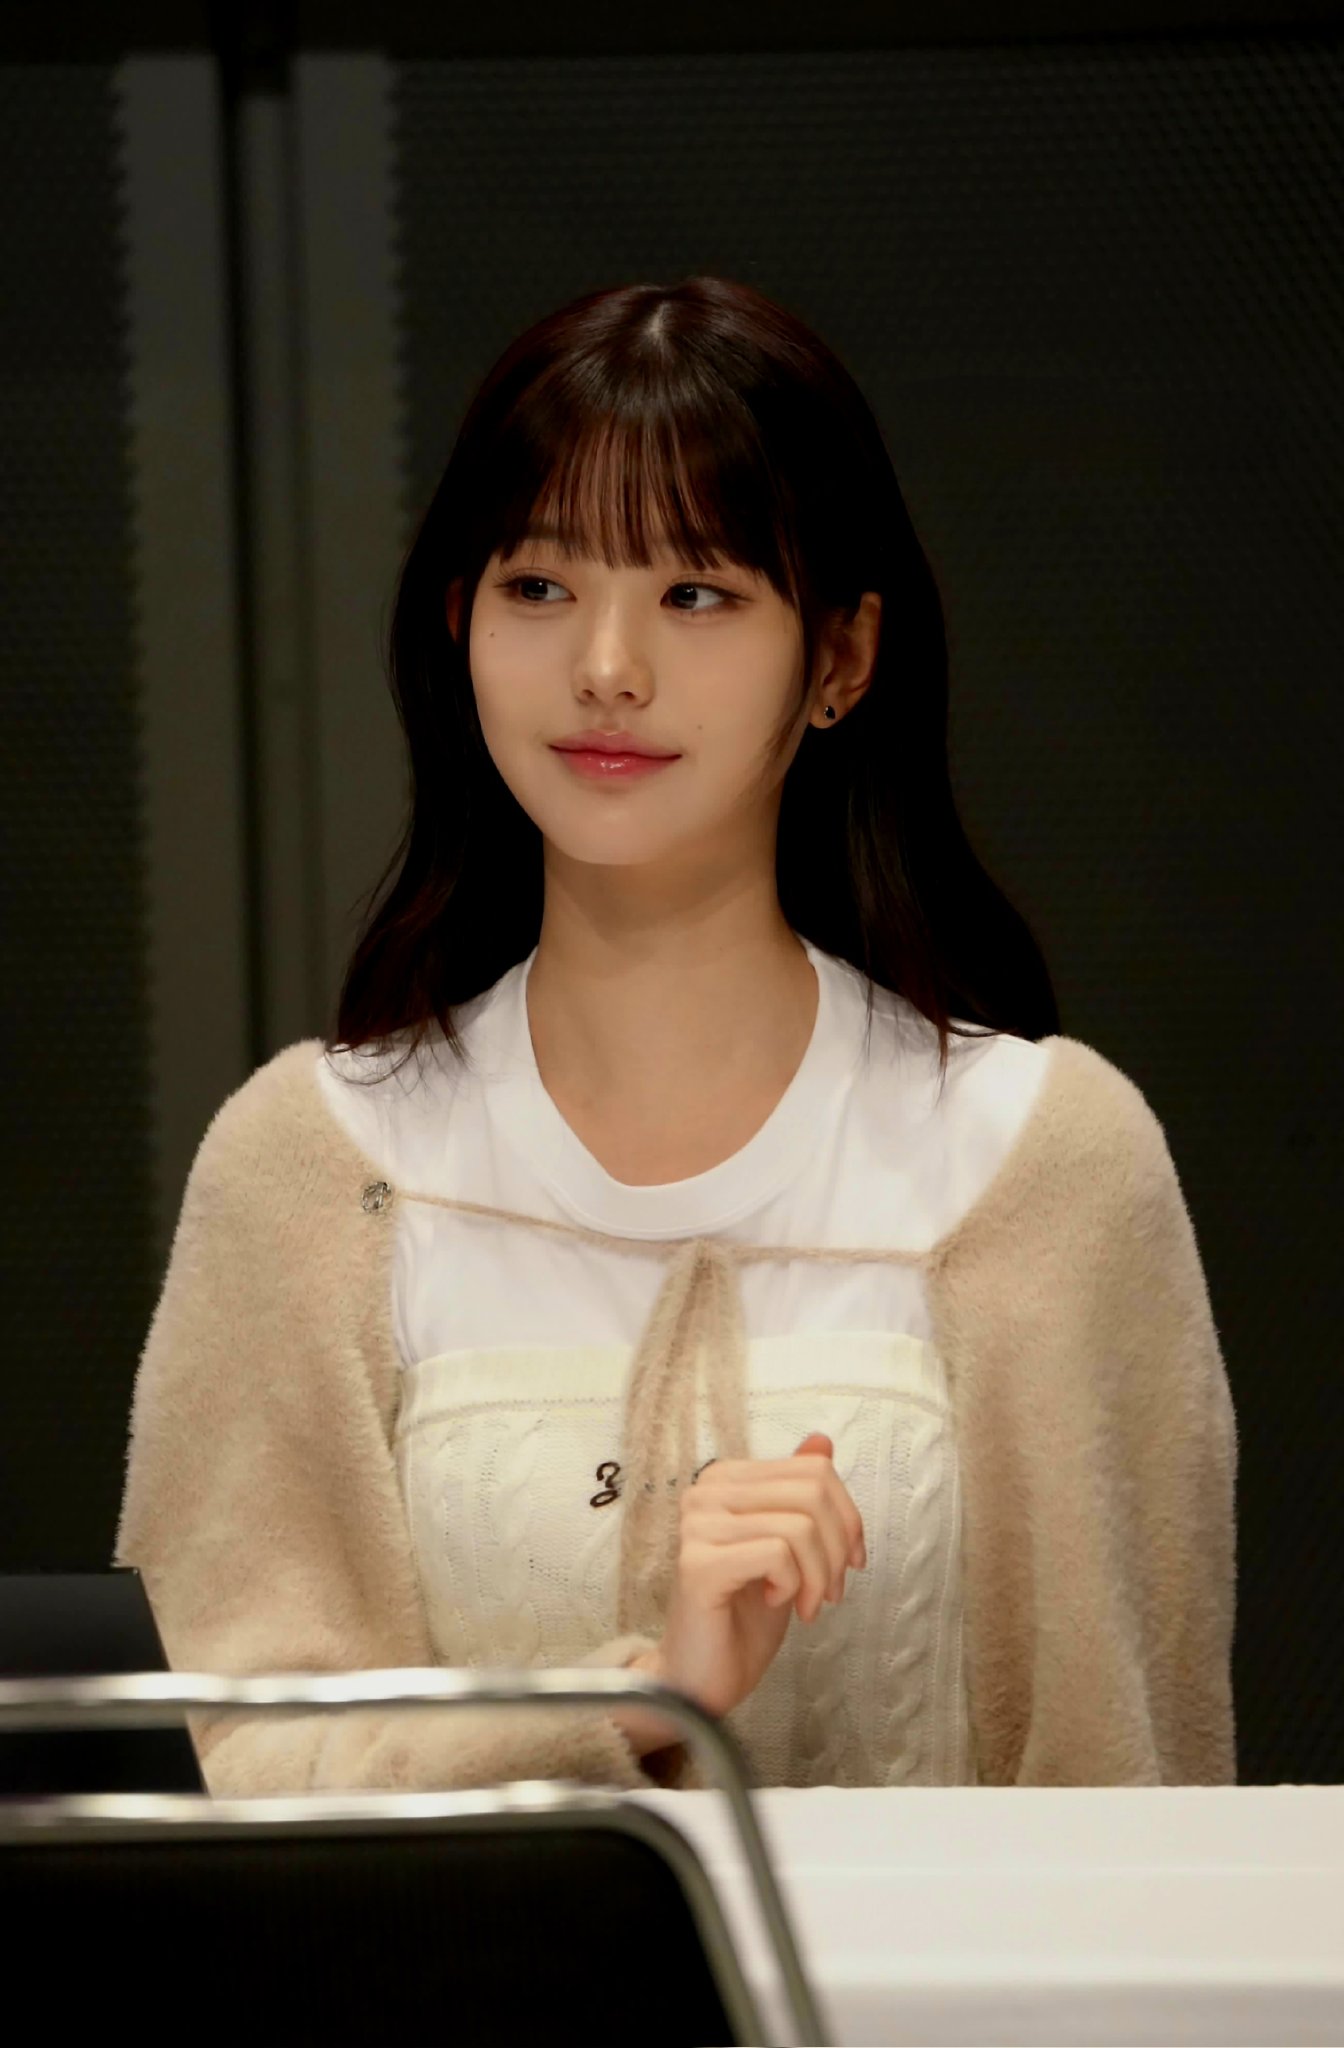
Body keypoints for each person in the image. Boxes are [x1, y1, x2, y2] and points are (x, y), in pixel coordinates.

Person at [115, 275, 1237, 1796]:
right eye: (539, 586)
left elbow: (1140, 1804)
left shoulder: (1039, 1162)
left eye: (696, 593)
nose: (607, 667)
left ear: (839, 658)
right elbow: (214, 1776)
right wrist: (643, 1702)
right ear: (458, 622)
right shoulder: (319, 1167)